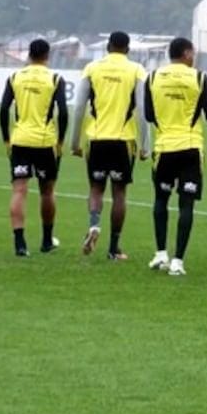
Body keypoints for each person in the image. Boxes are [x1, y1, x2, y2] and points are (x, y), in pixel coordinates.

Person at [145, 37, 207, 276]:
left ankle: (161, 253)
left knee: (160, 199)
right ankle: (177, 261)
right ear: (186, 53)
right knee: (186, 204)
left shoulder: (153, 78)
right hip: (190, 148)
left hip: (164, 148)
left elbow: (148, 115)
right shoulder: (199, 77)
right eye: (192, 53)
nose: (194, 56)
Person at [69, 31, 148, 261]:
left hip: (96, 139)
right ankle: (114, 248)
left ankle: (94, 225)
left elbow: (79, 107)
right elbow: (142, 109)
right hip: (123, 140)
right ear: (128, 48)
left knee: (95, 188)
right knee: (119, 193)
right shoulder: (136, 70)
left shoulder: (92, 68)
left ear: (108, 47)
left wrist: (75, 143)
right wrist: (145, 145)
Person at [0, 39, 68, 257]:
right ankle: (47, 240)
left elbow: (3, 109)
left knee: (19, 190)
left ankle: (20, 243)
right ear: (47, 55)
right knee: (47, 191)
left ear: (29, 55)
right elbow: (63, 113)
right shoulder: (55, 79)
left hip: (20, 140)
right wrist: (60, 141)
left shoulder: (15, 77)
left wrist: (6, 139)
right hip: (45, 141)